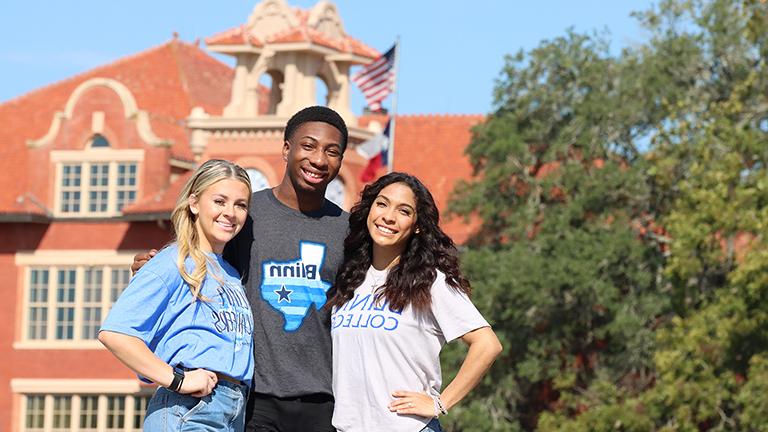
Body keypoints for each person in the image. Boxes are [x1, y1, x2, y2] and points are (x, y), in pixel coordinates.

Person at [131, 106, 349, 432]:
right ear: (286, 149)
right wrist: (151, 267)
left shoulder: (347, 229)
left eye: (332, 152)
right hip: (252, 399)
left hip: (324, 401)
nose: (319, 159)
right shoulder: (246, 214)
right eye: (308, 146)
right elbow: (197, 252)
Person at [328, 172, 503, 432]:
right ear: (369, 209)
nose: (388, 216)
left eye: (404, 211)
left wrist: (440, 403)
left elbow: (487, 344)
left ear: (417, 225)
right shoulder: (350, 279)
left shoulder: (430, 281)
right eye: (382, 204)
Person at [99, 159, 254, 431]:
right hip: (189, 410)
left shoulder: (230, 272)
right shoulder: (173, 261)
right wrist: (177, 379)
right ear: (194, 203)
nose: (230, 213)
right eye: (219, 201)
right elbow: (115, 333)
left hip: (231, 412)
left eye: (240, 205)